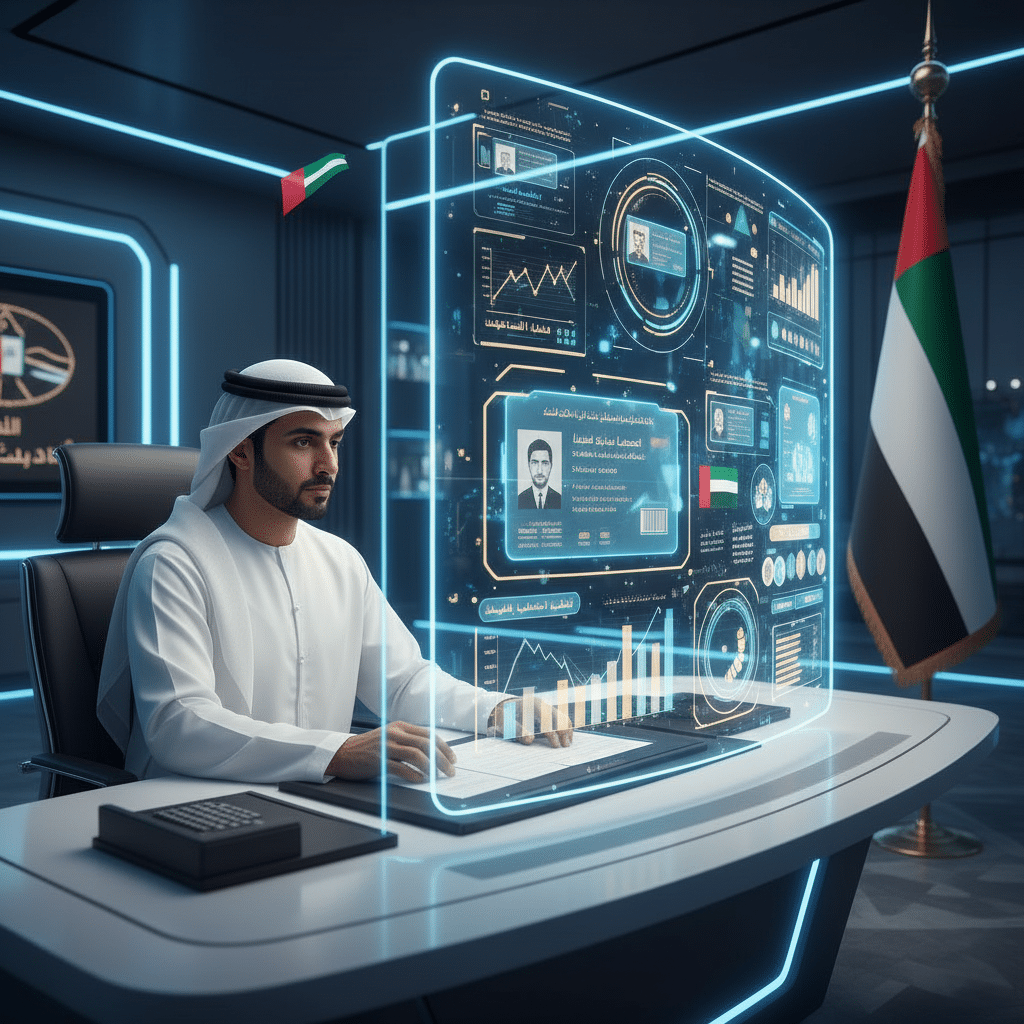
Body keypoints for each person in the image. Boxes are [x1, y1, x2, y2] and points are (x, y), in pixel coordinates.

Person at [97, 359, 571, 785]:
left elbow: (403, 681)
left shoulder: (340, 561)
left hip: (322, 802)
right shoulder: (174, 564)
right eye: (304, 442)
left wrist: (496, 709)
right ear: (241, 452)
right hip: (192, 807)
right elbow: (179, 723)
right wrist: (336, 752)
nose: (328, 465)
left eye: (334, 442)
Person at [517, 437, 561, 509]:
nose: (539, 471)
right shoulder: (519, 500)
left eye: (545, 463)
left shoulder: (560, 500)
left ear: (551, 466)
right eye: (534, 463)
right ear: (529, 465)